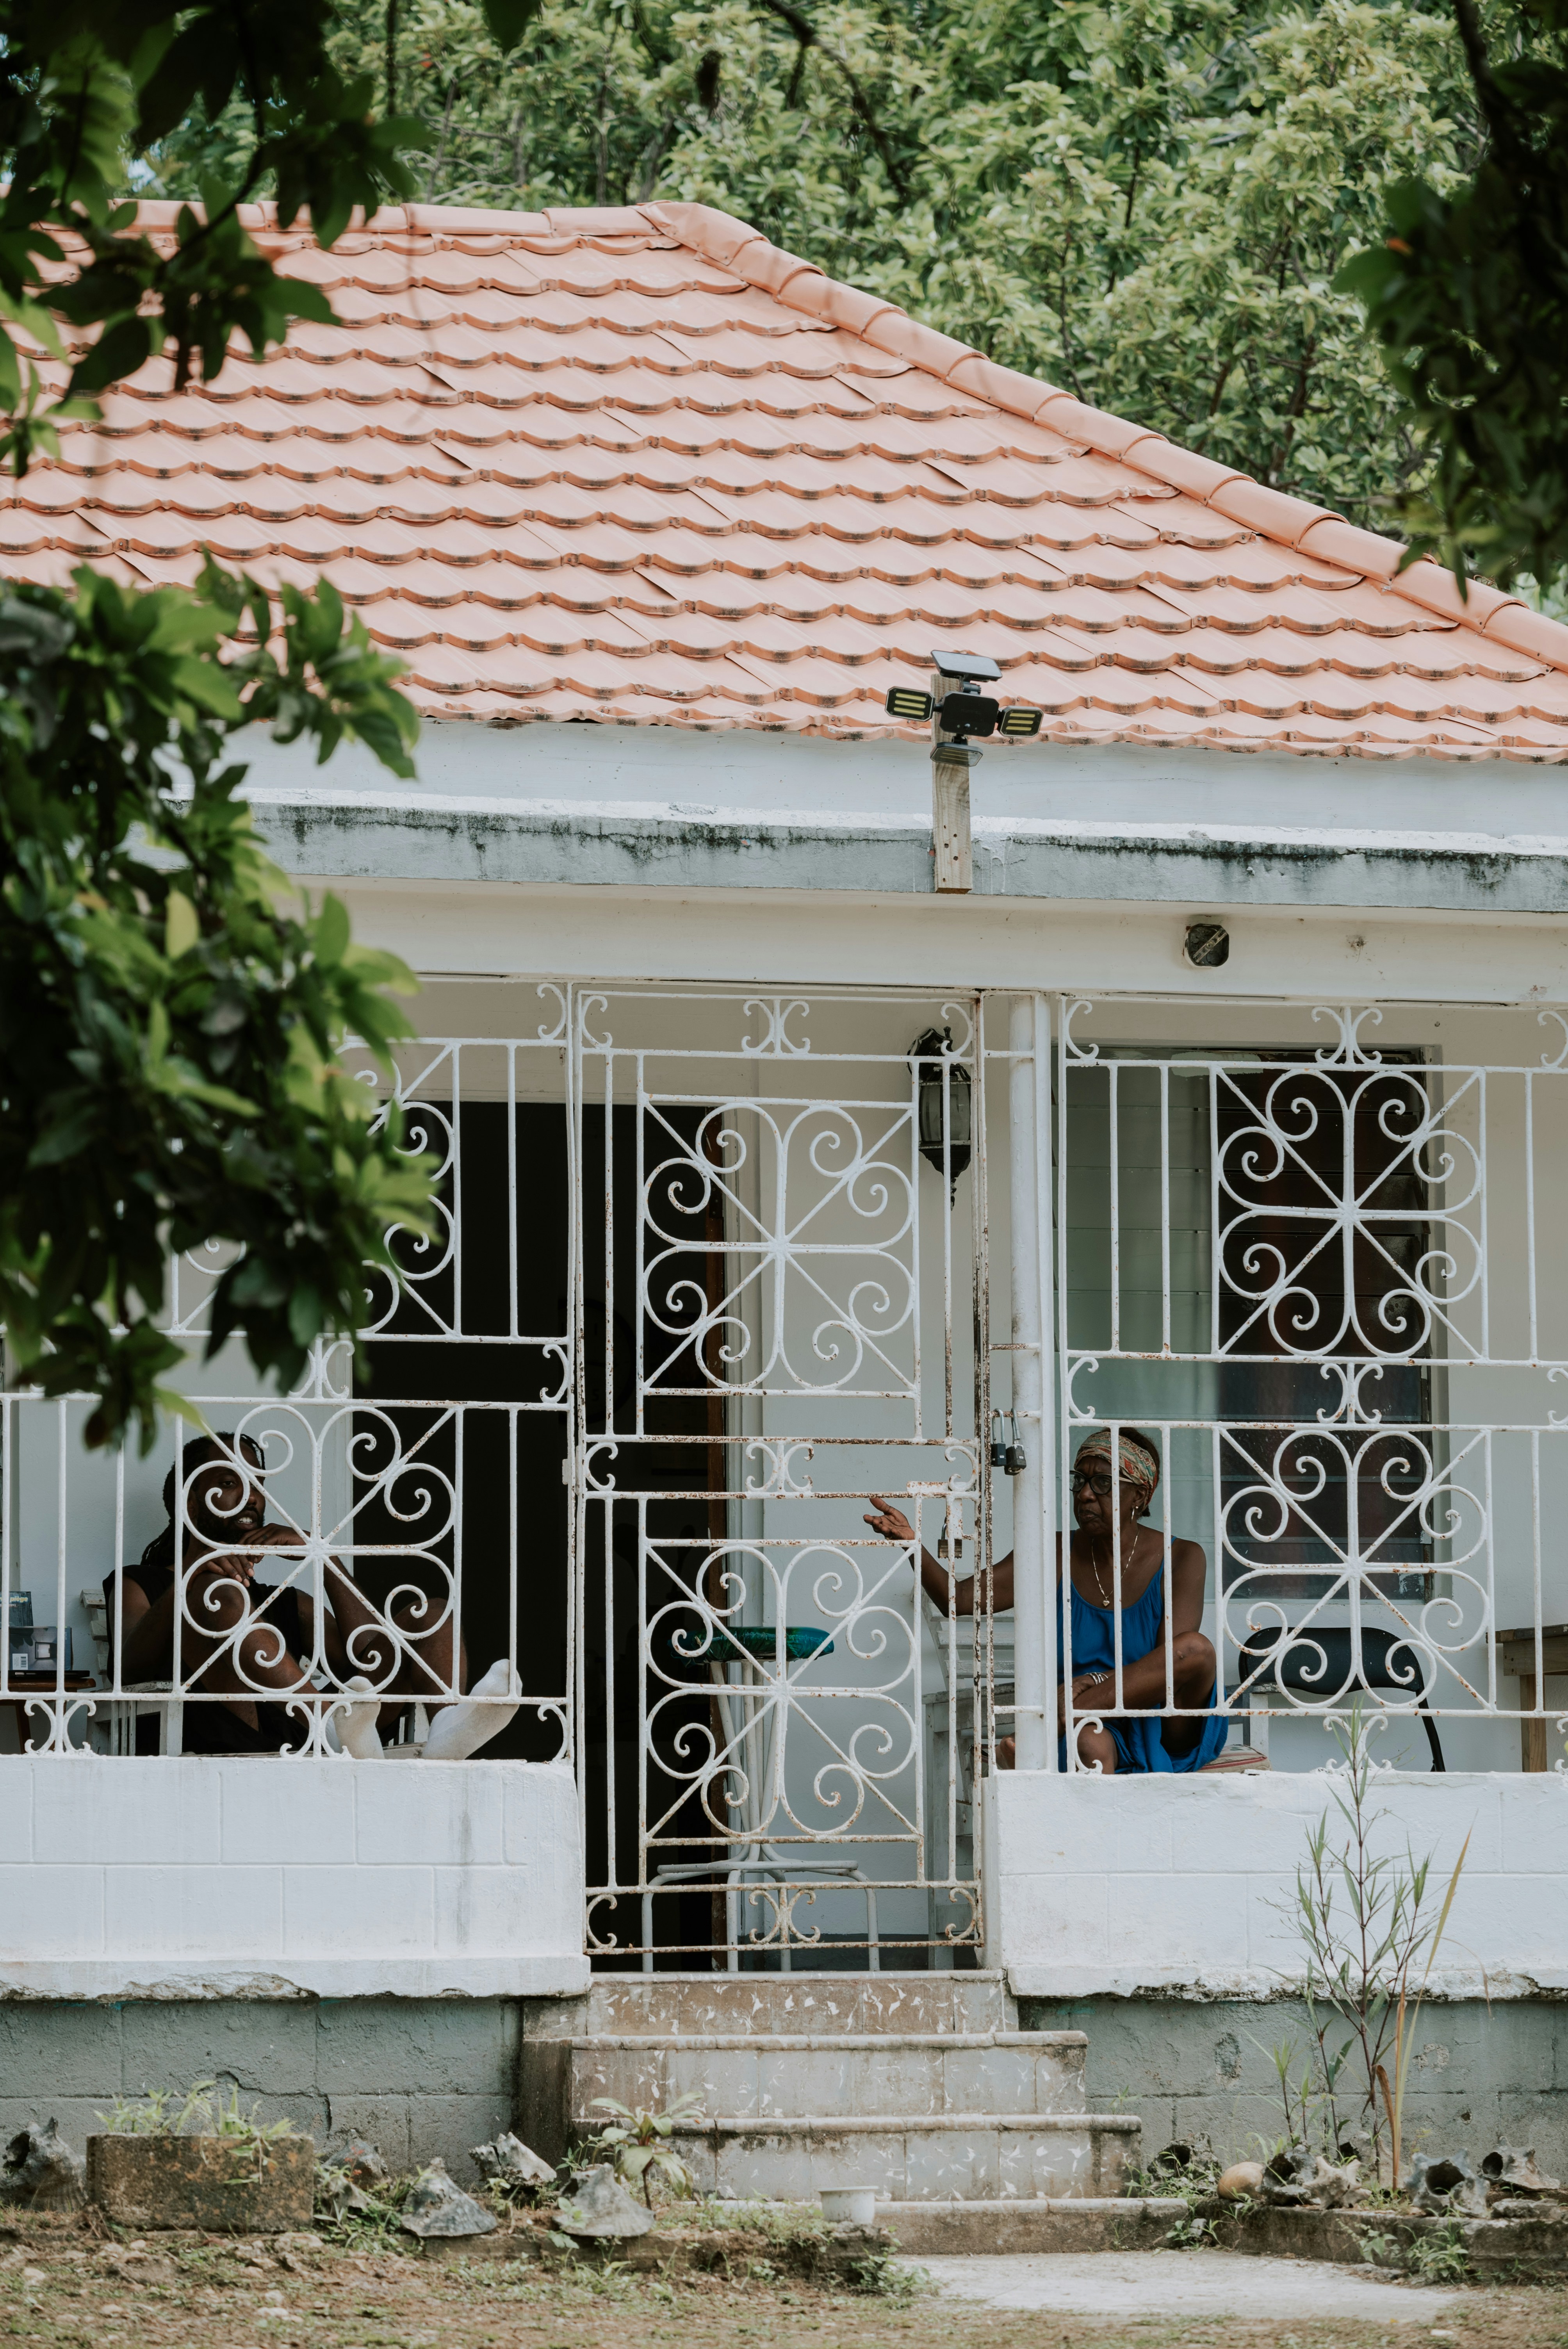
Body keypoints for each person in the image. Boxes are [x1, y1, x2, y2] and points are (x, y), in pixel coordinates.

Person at [105, 1432, 518, 1759]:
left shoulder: (285, 1601)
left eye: (258, 1484)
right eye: (230, 1483)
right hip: (219, 1735)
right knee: (217, 1592)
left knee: (432, 1613)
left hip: (310, 1737)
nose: (251, 1496)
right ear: (190, 1503)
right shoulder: (139, 1582)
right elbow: (126, 1668)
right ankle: (330, 1723)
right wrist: (193, 1575)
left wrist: (321, 1554)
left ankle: (447, 1728)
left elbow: (367, 1657)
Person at [865, 1426, 1227, 1773]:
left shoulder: (1182, 1557)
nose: (1085, 1495)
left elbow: (1166, 1669)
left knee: (1196, 1650)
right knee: (1090, 1744)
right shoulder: (1053, 1553)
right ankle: (1061, 1732)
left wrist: (1095, 1682)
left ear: (1141, 1496)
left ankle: (1045, 1732)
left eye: (1103, 1483)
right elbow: (959, 1600)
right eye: (1079, 1481)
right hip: (1082, 1723)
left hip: (1155, 1719)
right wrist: (912, 1544)